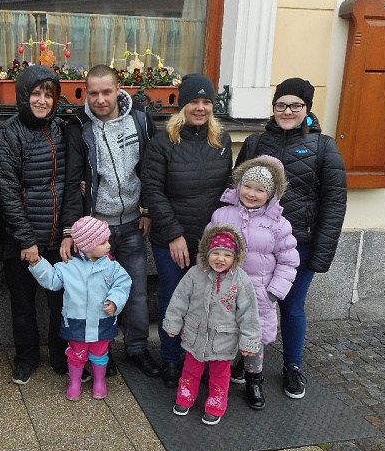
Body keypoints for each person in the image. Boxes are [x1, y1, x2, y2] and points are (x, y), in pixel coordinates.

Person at [234, 77, 347, 399]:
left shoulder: (323, 146)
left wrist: (322, 253)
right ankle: (246, 359)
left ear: (307, 109)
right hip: (255, 244)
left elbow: (334, 202)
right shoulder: (255, 143)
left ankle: (293, 366)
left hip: (299, 244)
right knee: (250, 304)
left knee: (292, 305)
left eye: (296, 105)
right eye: (281, 105)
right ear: (273, 108)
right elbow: (236, 190)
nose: (287, 111)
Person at [61, 64, 160, 378]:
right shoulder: (79, 128)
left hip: (132, 223)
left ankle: (137, 348)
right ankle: (100, 351)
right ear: (86, 93)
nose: (100, 99)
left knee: (136, 291)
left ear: (118, 90)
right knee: (96, 296)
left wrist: (147, 210)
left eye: (106, 92)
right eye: (94, 93)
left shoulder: (140, 121)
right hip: (95, 229)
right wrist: (71, 229)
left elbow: (152, 169)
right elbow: (72, 181)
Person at [140, 74, 232, 388]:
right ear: (182, 105)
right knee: (173, 298)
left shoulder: (222, 141)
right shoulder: (162, 142)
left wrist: (221, 236)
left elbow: (226, 189)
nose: (200, 107)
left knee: (206, 302)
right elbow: (153, 191)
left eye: (206, 102)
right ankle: (170, 359)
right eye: (194, 101)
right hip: (172, 239)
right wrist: (174, 234)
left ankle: (198, 357)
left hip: (210, 240)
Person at [0, 65, 69, 385]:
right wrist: (26, 239)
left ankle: (60, 355)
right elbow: (6, 192)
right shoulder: (8, 134)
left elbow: (70, 181)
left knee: (60, 302)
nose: (42, 101)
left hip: (57, 237)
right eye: (36, 93)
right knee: (22, 304)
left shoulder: (63, 129)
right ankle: (26, 358)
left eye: (48, 95)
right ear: (23, 96)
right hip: (20, 239)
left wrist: (68, 232)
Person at [208, 155, 299, 410]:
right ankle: (220, 379)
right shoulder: (222, 215)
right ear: (239, 185)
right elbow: (207, 250)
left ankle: (254, 379)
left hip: (258, 294)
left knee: (253, 342)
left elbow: (288, 261)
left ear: (271, 194)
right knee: (223, 335)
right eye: (247, 186)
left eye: (260, 190)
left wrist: (273, 292)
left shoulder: (278, 225)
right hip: (224, 291)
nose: (251, 193)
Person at [162, 225, 261, 426]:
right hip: (195, 335)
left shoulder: (241, 281)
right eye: (216, 253)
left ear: (236, 257)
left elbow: (249, 314)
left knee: (220, 375)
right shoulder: (195, 274)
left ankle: (216, 403)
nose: (220, 259)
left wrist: (249, 341)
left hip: (224, 339)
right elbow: (179, 300)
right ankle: (185, 396)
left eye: (227, 255)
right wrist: (173, 323)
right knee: (190, 369)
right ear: (207, 253)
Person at [28, 216, 132, 401]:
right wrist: (38, 264)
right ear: (87, 246)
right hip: (77, 320)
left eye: (107, 241)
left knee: (100, 352)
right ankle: (75, 382)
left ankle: (99, 381)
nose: (108, 246)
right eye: (103, 242)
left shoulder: (112, 266)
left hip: (102, 319)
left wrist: (115, 301)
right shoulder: (68, 266)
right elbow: (52, 280)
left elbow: (123, 284)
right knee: (76, 353)